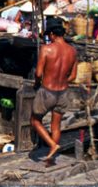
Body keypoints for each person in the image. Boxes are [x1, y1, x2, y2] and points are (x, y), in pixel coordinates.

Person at [31, 18, 78, 165]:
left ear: (52, 34)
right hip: (63, 92)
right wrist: (62, 80)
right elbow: (73, 76)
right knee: (55, 125)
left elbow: (38, 73)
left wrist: (37, 83)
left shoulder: (46, 49)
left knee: (35, 120)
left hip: (47, 91)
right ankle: (51, 157)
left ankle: (52, 145)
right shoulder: (72, 51)